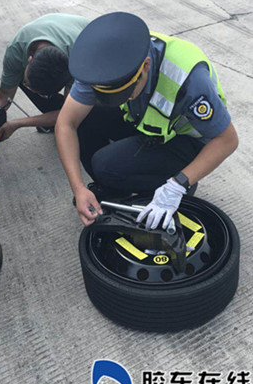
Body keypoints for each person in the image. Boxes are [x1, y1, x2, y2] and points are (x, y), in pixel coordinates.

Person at [55, 12, 238, 227]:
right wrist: (78, 188)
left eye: (126, 93)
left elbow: (228, 140)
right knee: (88, 118)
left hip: (189, 140)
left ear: (146, 66)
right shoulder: (101, 66)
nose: (123, 99)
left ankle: (177, 182)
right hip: (148, 123)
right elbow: (66, 124)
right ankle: (111, 187)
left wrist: (177, 184)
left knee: (105, 166)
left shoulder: (188, 78)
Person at [0, 13, 90, 140]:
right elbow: (2, 97)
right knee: (19, 80)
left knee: (85, 121)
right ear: (29, 58)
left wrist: (18, 123)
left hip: (98, 58)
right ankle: (52, 121)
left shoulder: (79, 62)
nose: (32, 92)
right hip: (67, 40)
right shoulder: (16, 48)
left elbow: (69, 113)